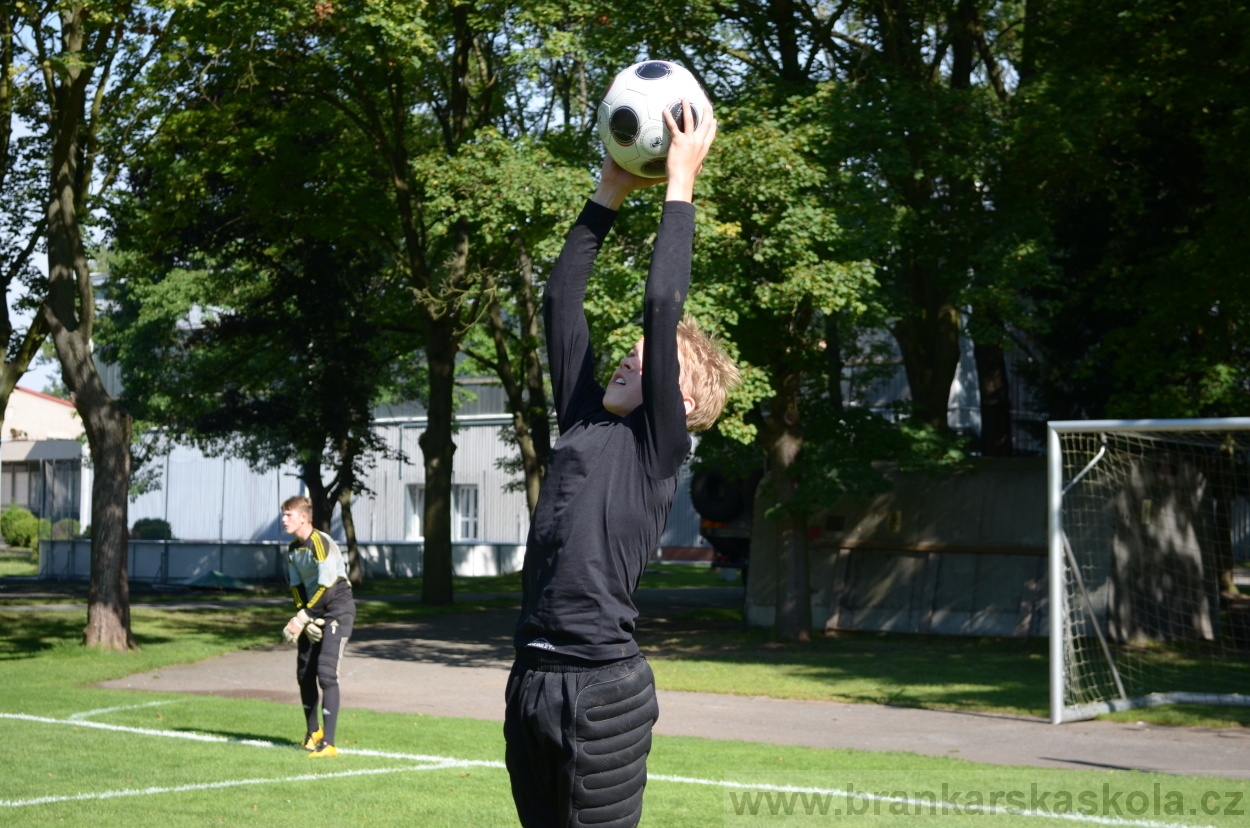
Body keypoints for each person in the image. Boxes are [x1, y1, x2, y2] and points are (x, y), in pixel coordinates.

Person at [504, 100, 738, 827]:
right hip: (531, 680)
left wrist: (680, 183)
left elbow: (662, 302)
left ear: (685, 397)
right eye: (633, 348)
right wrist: (606, 193)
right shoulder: (578, 421)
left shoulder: (657, 446)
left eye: (657, 357)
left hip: (603, 690)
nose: (635, 348)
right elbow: (559, 297)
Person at [280, 494, 356, 759]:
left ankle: (330, 744)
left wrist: (302, 619)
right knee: (304, 672)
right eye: (284, 514)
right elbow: (297, 588)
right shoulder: (293, 550)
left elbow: (327, 587)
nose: (283, 519)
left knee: (326, 673)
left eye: (288, 515)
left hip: (337, 609)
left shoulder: (320, 542)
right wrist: (307, 618)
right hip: (315, 611)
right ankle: (313, 734)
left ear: (303, 517)